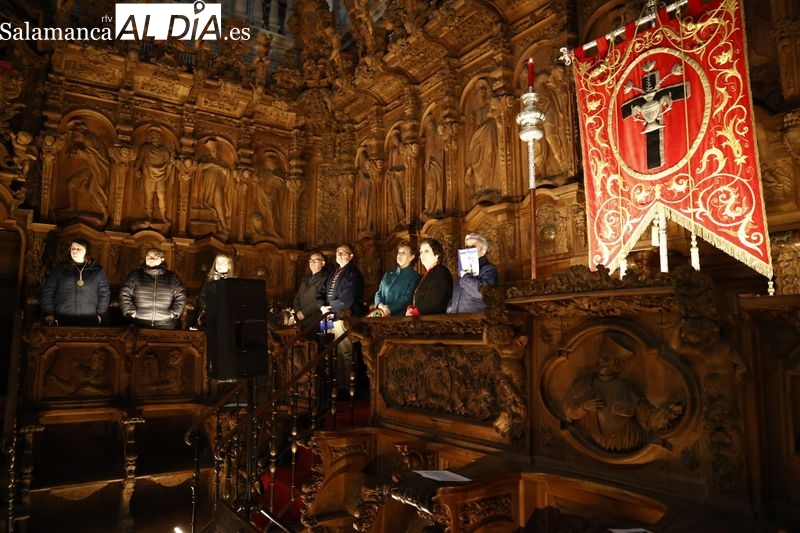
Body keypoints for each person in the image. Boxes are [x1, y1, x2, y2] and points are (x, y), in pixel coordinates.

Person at [563, 332, 684, 452]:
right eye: (601, 358)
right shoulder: (582, 384)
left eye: (607, 359)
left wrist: (666, 413)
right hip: (595, 443)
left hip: (628, 441)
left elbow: (648, 416)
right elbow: (567, 411)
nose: (602, 361)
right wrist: (583, 407)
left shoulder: (626, 387)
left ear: (618, 364)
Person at [318, 244, 365, 389]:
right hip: (328, 316)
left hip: (343, 317)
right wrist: (322, 306)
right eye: (338, 252)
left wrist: (330, 308)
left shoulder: (354, 274)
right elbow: (322, 292)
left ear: (351, 256)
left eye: (343, 252)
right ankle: (337, 385)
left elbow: (346, 299)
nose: (339, 254)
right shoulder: (334, 272)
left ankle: (348, 386)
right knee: (332, 351)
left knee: (345, 351)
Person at [41, 238, 110, 326]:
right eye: (73, 248)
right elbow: (48, 291)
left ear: (86, 251)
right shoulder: (60, 269)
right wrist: (49, 312)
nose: (74, 251)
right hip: (62, 318)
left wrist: (100, 314)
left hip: (89, 319)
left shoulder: (97, 270)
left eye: (78, 249)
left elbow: (104, 293)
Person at [119, 248, 186, 329]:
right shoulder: (135, 275)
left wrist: (173, 313)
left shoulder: (172, 277)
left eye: (154, 257)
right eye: (148, 256)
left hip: (165, 323)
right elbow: (124, 293)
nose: (150, 259)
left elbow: (181, 296)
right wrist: (130, 312)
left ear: (162, 259)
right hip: (138, 322)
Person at [448, 232, 499, 313]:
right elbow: (456, 293)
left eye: (472, 247)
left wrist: (465, 277)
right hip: (457, 317)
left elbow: (485, 293)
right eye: (466, 247)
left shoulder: (489, 269)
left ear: (483, 251)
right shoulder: (463, 268)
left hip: (476, 318)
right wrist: (449, 307)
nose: (468, 250)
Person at [370, 241, 420, 317]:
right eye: (399, 252)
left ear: (412, 257)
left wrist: (389, 309)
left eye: (403, 253)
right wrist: (380, 305)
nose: (399, 255)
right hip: (380, 315)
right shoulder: (388, 274)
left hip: (399, 318)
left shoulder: (415, 276)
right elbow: (378, 293)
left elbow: (407, 298)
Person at [405, 238, 452, 317]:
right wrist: (410, 308)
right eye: (421, 252)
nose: (422, 255)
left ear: (437, 255)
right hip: (420, 319)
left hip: (434, 320)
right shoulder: (423, 276)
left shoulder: (441, 271)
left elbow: (434, 299)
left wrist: (416, 312)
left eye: (426, 251)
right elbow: (414, 297)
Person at [136, 126, 174, 221]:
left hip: (161, 176)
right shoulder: (145, 148)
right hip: (148, 174)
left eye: (156, 136)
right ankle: (149, 217)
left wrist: (172, 156)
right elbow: (139, 160)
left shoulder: (164, 150)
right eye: (152, 136)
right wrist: (137, 169)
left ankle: (163, 217)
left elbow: (169, 162)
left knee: (161, 195)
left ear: (159, 138)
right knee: (149, 196)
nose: (154, 138)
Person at [292, 251, 328, 336]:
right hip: (301, 319)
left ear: (322, 263)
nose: (312, 263)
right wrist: (297, 311)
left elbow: (319, 299)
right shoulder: (306, 278)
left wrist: (304, 313)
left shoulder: (325, 278)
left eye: (315, 261)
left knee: (316, 342)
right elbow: (297, 297)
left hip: (316, 319)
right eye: (311, 261)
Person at [195, 253, 234, 329]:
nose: (219, 264)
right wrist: (206, 308)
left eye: (223, 262)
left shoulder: (232, 281)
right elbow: (202, 295)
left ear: (229, 265)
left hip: (225, 316)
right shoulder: (209, 279)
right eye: (217, 262)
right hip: (209, 313)